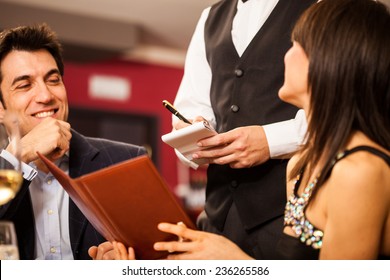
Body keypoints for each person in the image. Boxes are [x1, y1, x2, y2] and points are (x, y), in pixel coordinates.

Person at [113, 0, 390, 260]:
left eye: (295, 44)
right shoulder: (299, 167)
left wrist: (271, 141)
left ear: (333, 62)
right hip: (218, 217)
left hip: (272, 215)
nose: (284, 56)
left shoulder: (358, 172)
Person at [170, 0, 316, 259]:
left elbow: (346, 108)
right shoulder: (209, 18)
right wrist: (193, 141)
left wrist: (271, 141)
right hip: (217, 215)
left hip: (291, 214)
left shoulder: (326, 6)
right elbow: (191, 107)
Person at [0, 23, 147, 260]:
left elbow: (163, 259)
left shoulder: (128, 160)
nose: (46, 96)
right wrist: (21, 153)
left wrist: (130, 264)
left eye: (53, 80)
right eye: (25, 85)